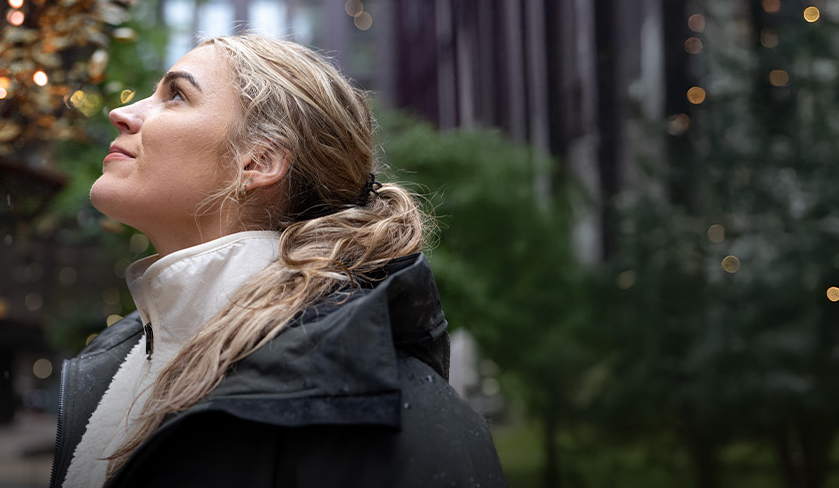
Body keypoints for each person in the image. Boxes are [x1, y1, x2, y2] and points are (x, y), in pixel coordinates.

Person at [48, 34, 507, 488]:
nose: (122, 114)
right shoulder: (116, 362)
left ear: (258, 162)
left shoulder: (381, 410)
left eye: (176, 96)